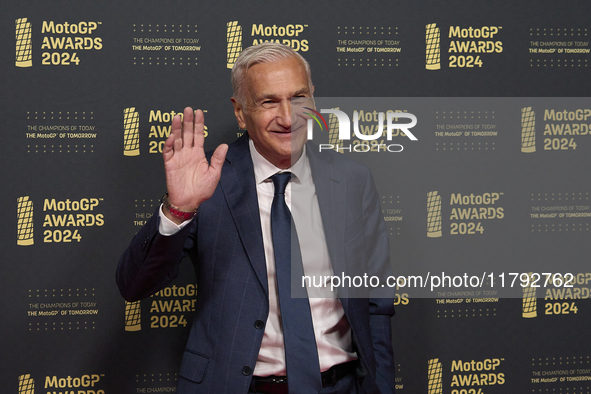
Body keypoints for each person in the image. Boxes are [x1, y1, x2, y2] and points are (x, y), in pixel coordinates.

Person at [117, 42, 395, 394]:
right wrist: (179, 210)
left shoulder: (353, 179)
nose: (287, 116)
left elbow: (376, 304)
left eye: (298, 97)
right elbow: (134, 285)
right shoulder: (208, 182)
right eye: (268, 101)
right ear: (240, 111)